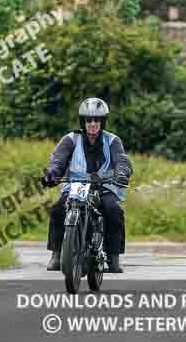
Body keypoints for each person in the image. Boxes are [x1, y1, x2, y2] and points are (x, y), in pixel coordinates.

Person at [40, 98, 133, 273]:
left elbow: (122, 161)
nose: (92, 123)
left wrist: (122, 174)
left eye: (97, 120)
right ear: (82, 121)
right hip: (76, 186)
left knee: (113, 210)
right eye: (88, 120)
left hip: (104, 186)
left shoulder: (112, 140)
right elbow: (58, 161)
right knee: (58, 209)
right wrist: (51, 175)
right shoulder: (70, 139)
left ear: (102, 121)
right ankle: (57, 254)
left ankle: (113, 257)